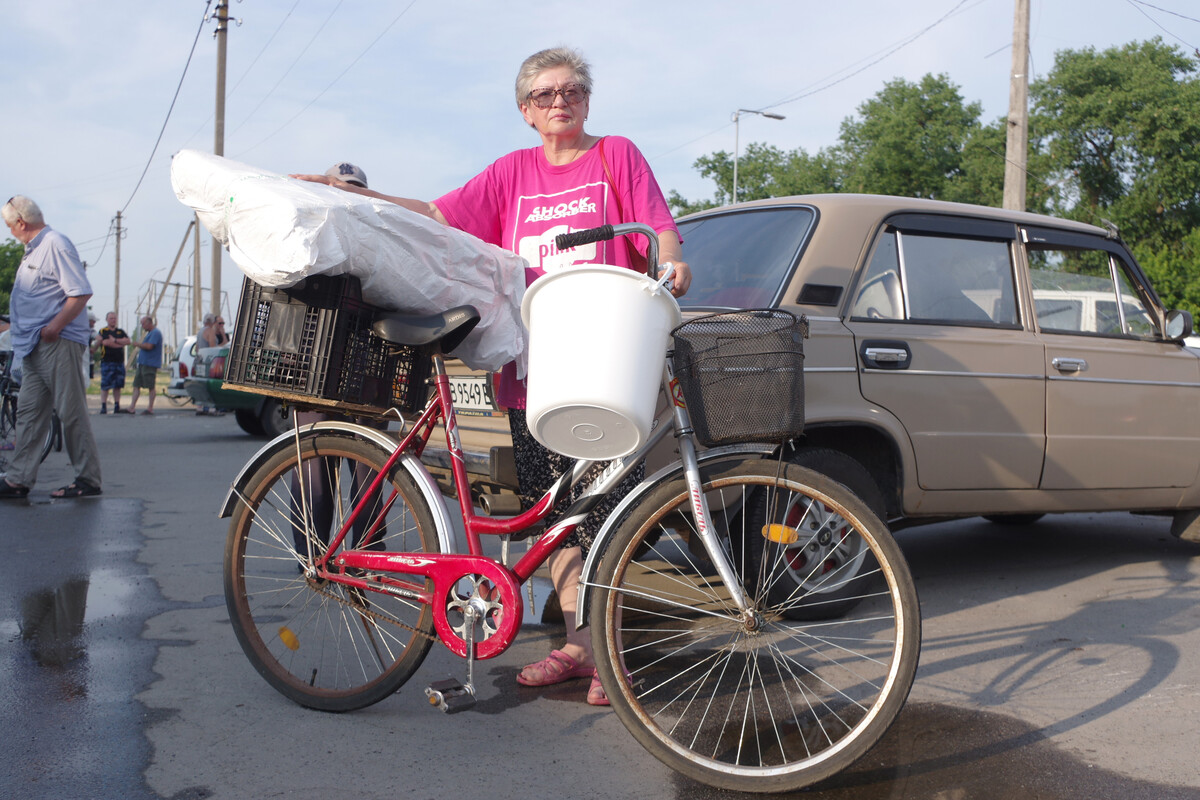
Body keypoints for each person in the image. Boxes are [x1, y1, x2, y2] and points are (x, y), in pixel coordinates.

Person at [294, 48, 691, 705]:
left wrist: (672, 261)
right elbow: (439, 212)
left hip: (605, 361)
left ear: (587, 101)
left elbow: (655, 226)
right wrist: (359, 197)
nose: (558, 102)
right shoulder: (512, 173)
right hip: (533, 370)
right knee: (552, 519)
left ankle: (603, 654)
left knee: (607, 514)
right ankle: (580, 646)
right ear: (525, 111)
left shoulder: (614, 155)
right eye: (543, 95)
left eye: (570, 91)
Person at [290, 163, 388, 560]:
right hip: (316, 372)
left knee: (368, 477)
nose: (346, 196)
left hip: (365, 373)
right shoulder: (312, 234)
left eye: (354, 190)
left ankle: (364, 562)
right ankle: (313, 561)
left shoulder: (377, 239)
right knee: (313, 471)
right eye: (341, 189)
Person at [0, 195, 102, 499]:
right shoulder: (34, 249)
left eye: (9, 225)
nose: (9, 231)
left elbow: (80, 292)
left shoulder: (55, 243)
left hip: (57, 343)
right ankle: (18, 479)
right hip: (34, 345)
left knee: (71, 412)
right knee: (29, 413)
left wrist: (54, 328)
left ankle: (88, 480)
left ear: (21, 222)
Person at [126, 315, 163, 415]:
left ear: (149, 323)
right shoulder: (149, 333)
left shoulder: (155, 333)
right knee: (136, 385)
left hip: (150, 364)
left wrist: (138, 344)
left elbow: (150, 346)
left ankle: (150, 408)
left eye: (143, 323)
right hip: (142, 363)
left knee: (150, 386)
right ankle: (132, 407)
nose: (142, 326)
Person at [96, 310, 130, 414]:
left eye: (114, 318)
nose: (113, 320)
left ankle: (117, 405)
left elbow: (128, 341)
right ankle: (103, 406)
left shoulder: (120, 332)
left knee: (118, 385)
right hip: (107, 361)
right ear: (107, 320)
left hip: (119, 362)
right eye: (111, 318)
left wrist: (115, 340)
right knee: (105, 385)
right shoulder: (103, 331)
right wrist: (120, 344)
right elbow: (106, 343)